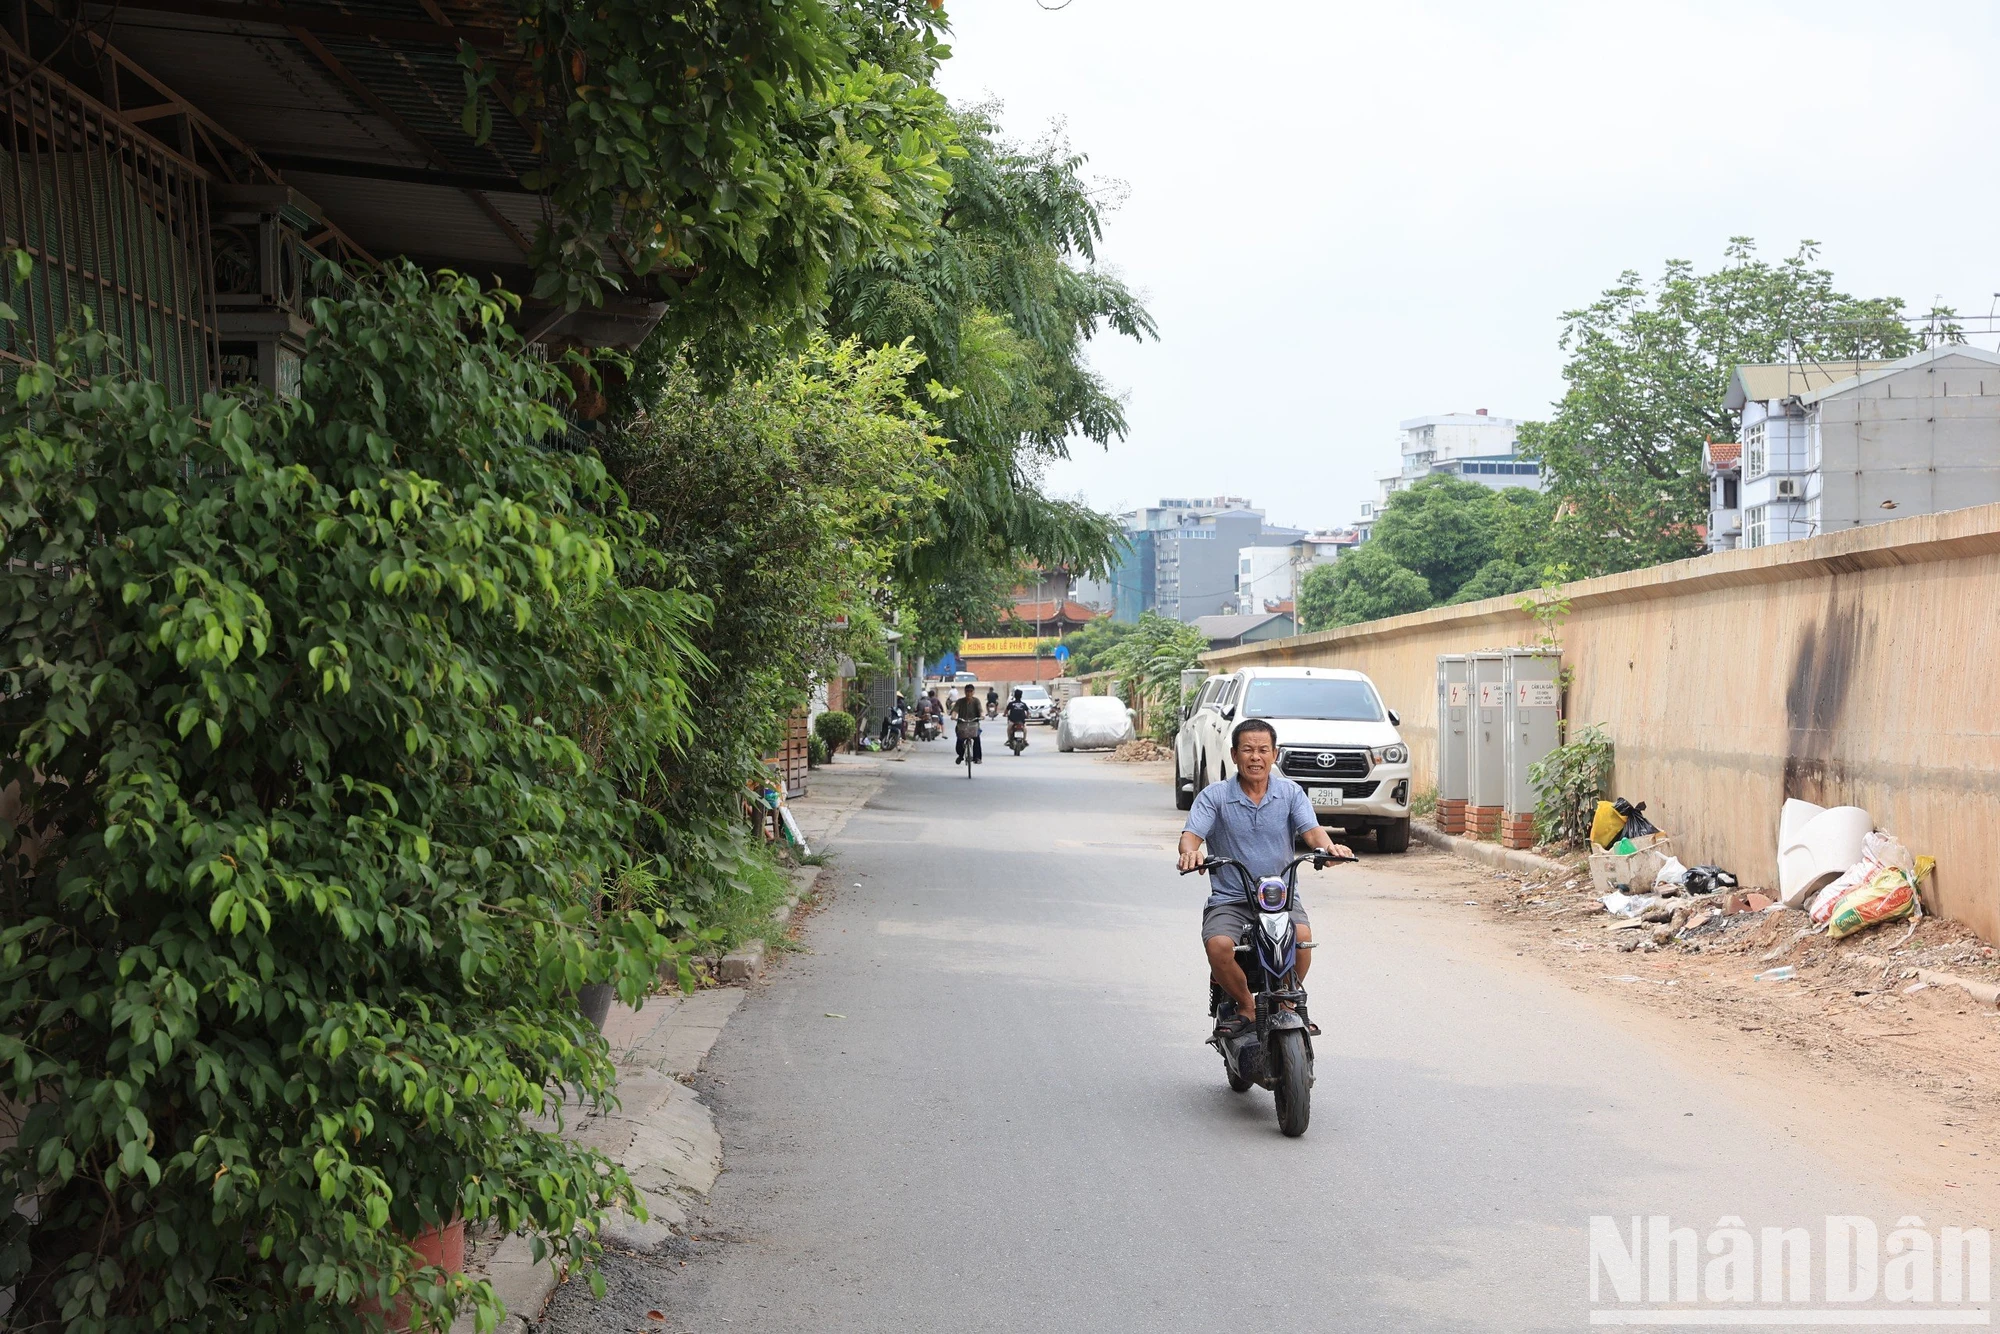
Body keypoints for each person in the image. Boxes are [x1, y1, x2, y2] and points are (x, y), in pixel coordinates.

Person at [1176, 718, 1352, 1036]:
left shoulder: (1290, 794)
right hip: (1231, 898)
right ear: (1234, 755)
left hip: (1278, 897)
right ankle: (1245, 1005)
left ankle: (1287, 1004)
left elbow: (1313, 833)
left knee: (1301, 939)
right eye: (1247, 750)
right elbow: (1191, 836)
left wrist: (1329, 849)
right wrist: (1191, 853)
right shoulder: (1214, 796)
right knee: (1218, 946)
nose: (1255, 757)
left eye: (1262, 750)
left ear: (1275, 754)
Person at [952, 682, 984, 764]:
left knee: (977, 739)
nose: (969, 693)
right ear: (965, 692)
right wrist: (953, 716)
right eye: (967, 691)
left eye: (971, 691)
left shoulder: (976, 701)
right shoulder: (960, 701)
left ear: (973, 692)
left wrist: (982, 716)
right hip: (962, 724)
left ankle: (977, 758)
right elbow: (955, 711)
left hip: (973, 724)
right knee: (960, 740)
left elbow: (980, 711)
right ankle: (960, 755)